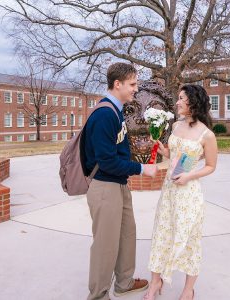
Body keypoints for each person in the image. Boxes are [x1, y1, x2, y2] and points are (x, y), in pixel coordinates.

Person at [84, 62, 157, 300]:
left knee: (127, 234)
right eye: (132, 84)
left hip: (118, 184)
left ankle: (124, 283)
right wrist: (141, 169)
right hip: (105, 186)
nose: (136, 89)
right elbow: (106, 161)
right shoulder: (105, 114)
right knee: (106, 243)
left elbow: (118, 152)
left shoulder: (117, 110)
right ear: (118, 84)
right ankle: (98, 295)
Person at [143, 84, 218, 300]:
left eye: (181, 98)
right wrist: (158, 143)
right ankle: (155, 283)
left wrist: (188, 176)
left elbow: (211, 166)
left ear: (193, 102)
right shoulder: (175, 126)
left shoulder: (207, 134)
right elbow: (170, 153)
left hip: (188, 193)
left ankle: (188, 290)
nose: (177, 102)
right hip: (168, 191)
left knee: (189, 241)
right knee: (161, 235)